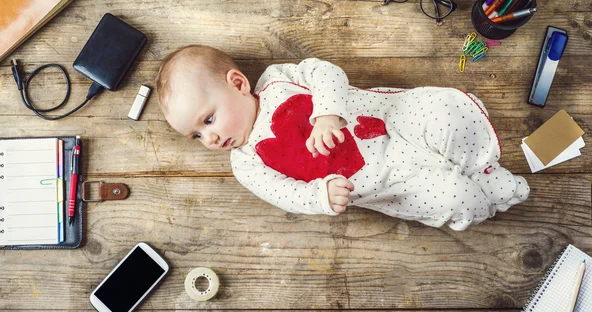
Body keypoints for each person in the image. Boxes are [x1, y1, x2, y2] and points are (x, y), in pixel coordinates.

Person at [156, 45, 529, 231]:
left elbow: (325, 72)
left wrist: (327, 113)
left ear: (237, 84)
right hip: (388, 180)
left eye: (208, 119)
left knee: (445, 114)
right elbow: (283, 193)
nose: (211, 137)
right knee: (450, 196)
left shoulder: (277, 80)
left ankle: (481, 166)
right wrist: (320, 195)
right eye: (196, 135)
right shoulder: (246, 162)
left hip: (389, 121)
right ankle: (486, 197)